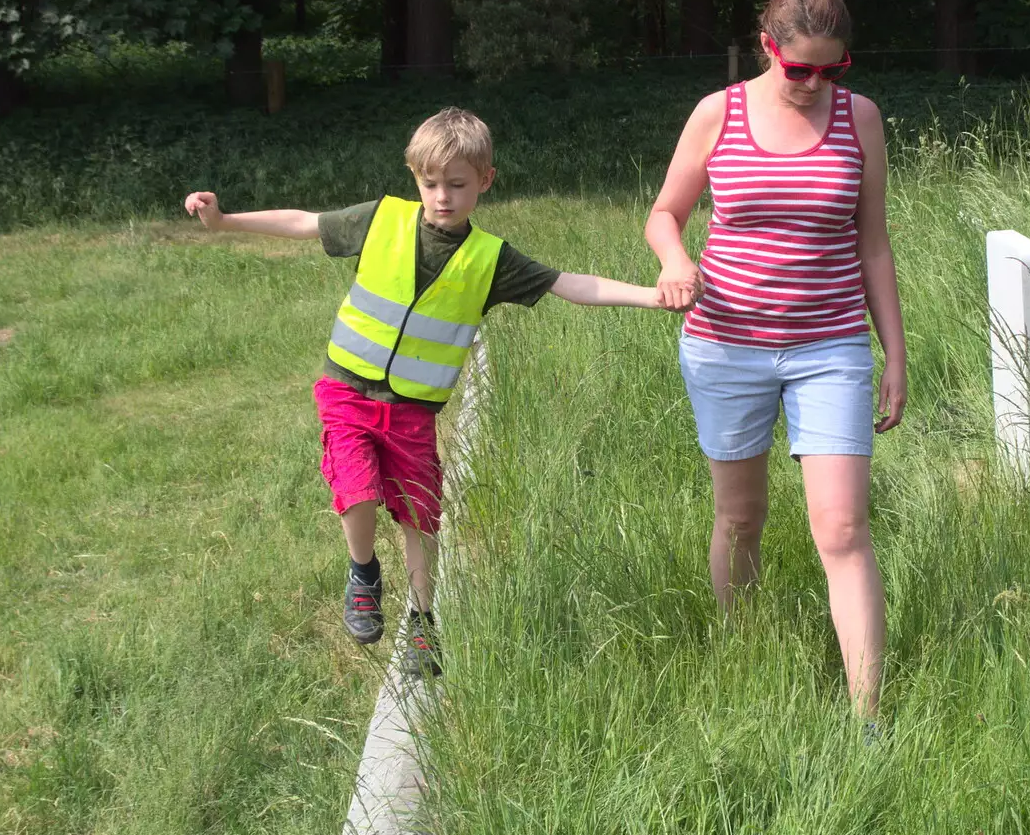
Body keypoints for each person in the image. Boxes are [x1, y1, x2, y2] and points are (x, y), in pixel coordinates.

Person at [185, 107, 673, 677]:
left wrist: (653, 295)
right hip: (345, 389)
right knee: (357, 488)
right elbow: (305, 222)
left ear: (485, 181)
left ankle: (423, 624)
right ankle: (363, 572)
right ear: (415, 178)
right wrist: (225, 222)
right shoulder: (382, 221)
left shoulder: (491, 260)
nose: (443, 196)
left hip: (412, 413)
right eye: (430, 183)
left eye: (458, 185)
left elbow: (572, 285)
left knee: (422, 518)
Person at [643, 0, 906, 720]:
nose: (815, 82)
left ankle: (867, 719)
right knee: (741, 519)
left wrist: (895, 353)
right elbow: (664, 213)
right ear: (768, 48)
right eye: (800, 69)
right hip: (727, 346)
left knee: (844, 527)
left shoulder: (863, 120)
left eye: (833, 68)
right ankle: (747, 656)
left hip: (831, 348)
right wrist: (674, 259)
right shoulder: (716, 115)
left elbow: (874, 244)